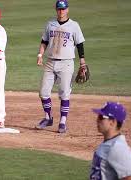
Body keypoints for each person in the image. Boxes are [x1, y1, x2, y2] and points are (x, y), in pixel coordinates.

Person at [35, 0, 87, 133]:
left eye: (63, 9)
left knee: (64, 93)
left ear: (67, 10)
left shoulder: (74, 25)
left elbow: (80, 44)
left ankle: (63, 121)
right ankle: (48, 118)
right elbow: (44, 41)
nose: (61, 11)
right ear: (56, 10)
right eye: (59, 9)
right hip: (50, 62)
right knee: (43, 92)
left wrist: (82, 62)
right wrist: (40, 55)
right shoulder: (50, 24)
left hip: (66, 63)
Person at [90, 102, 131, 180]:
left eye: (101, 117)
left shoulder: (117, 148)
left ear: (112, 122)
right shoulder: (108, 143)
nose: (97, 120)